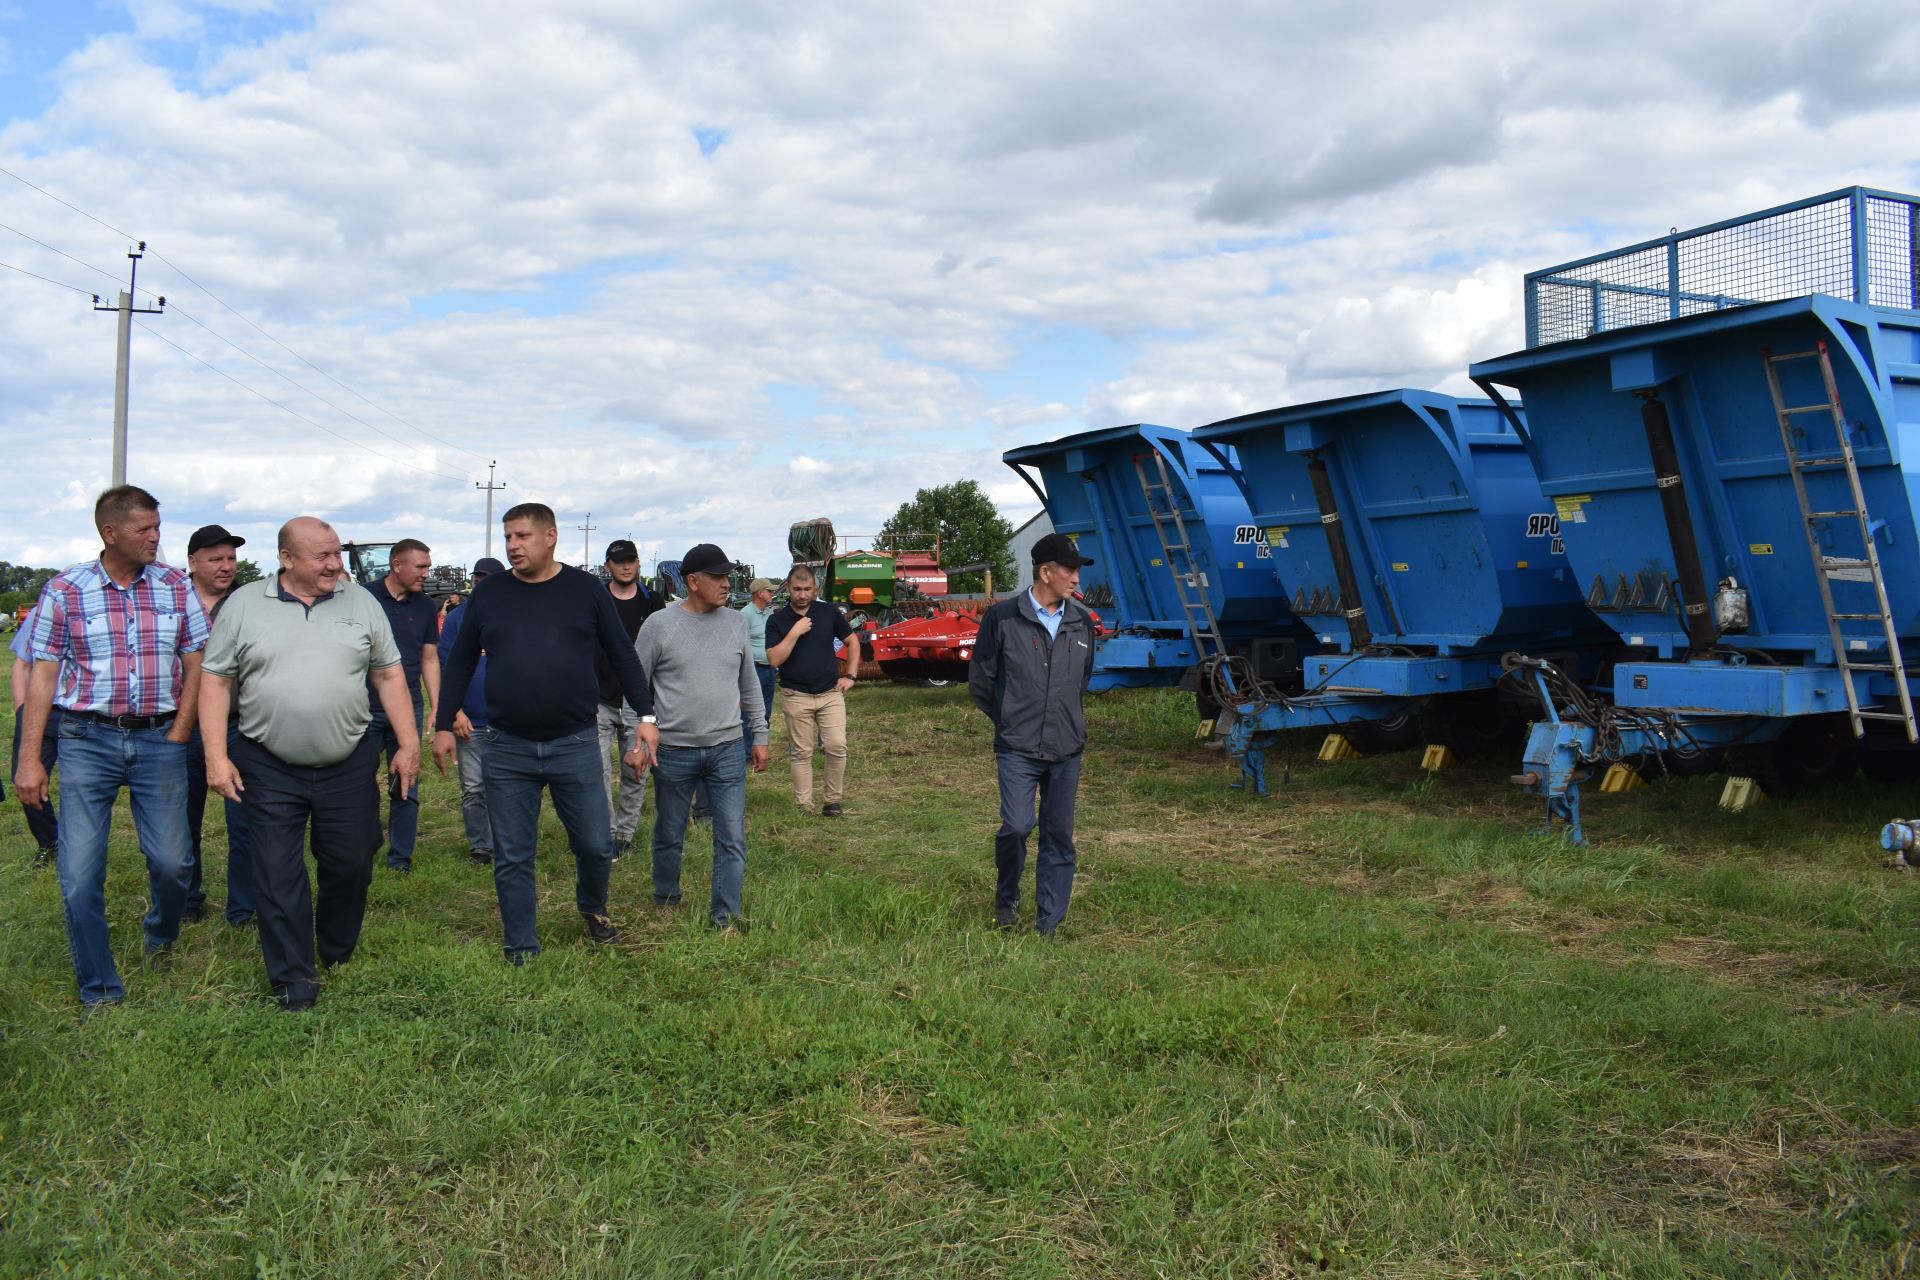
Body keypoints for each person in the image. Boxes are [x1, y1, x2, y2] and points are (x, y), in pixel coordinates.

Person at [198, 516, 418, 1012]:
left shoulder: (360, 601)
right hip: (268, 762)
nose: (334, 564)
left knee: (352, 861)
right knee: (276, 870)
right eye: (321, 555)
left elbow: (387, 676)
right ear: (286, 559)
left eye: (336, 553)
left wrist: (408, 744)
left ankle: (335, 948)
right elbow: (214, 681)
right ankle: (294, 978)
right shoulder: (245, 605)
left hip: (348, 760)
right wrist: (215, 755)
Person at [432, 503, 659, 964]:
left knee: (596, 845)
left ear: (551, 536)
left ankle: (593, 908)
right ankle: (520, 943)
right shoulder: (490, 594)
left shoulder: (584, 591)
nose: (513, 546)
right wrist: (442, 723)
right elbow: (458, 662)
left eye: (522, 536)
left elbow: (622, 655)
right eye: (508, 537)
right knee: (513, 852)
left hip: (574, 742)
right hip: (506, 744)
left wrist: (648, 718)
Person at [15, 486, 209, 1008]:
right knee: (79, 875)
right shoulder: (65, 590)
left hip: (161, 738)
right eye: (144, 529)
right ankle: (99, 988)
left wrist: (181, 731)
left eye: (157, 527)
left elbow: (197, 664)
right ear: (110, 532)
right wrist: (30, 758)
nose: (155, 537)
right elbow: (40, 680)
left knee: (174, 865)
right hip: (85, 740)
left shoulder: (173, 586)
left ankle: (160, 937)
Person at [968, 533, 1097, 936]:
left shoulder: (1082, 622)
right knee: (1018, 826)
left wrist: (1064, 718)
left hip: (1066, 747)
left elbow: (1081, 682)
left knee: (1059, 836)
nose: (1076, 578)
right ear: (1046, 571)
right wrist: (1010, 719)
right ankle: (1006, 899)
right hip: (1017, 748)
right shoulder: (1003, 617)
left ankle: (1049, 923)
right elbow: (981, 680)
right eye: (1070, 569)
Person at [634, 543, 768, 932]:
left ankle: (725, 916)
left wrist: (759, 733)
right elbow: (636, 687)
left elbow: (750, 684)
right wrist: (636, 741)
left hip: (727, 748)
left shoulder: (735, 624)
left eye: (728, 576)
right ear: (693, 582)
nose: (727, 584)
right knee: (669, 831)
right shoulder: (659, 625)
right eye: (718, 577)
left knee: (731, 836)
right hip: (673, 750)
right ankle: (666, 896)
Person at [182, 523, 255, 926]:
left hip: (237, 727)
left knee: (243, 822)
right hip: (178, 729)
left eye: (231, 558)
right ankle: (187, 899)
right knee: (180, 822)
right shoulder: (172, 602)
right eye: (216, 559)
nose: (226, 566)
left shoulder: (247, 604)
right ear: (193, 562)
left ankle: (243, 909)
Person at [366, 538, 440, 873]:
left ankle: (400, 859)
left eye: (428, 566)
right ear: (397, 565)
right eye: (420, 567)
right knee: (360, 781)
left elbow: (429, 658)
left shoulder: (425, 606)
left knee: (405, 780)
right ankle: (365, 845)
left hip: (408, 705)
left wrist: (437, 705)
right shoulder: (364, 598)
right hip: (363, 705)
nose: (426, 573)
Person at [765, 564, 857, 816]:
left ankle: (832, 802)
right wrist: (794, 633)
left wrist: (851, 675)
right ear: (788, 588)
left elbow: (852, 641)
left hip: (830, 694)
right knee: (802, 752)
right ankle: (804, 805)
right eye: (797, 589)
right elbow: (774, 660)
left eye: (807, 589)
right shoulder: (777, 620)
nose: (802, 595)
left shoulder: (828, 613)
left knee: (837, 746)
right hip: (796, 695)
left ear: (815, 589)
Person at [595, 539, 664, 855]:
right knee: (598, 772)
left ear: (637, 563)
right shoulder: (596, 599)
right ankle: (606, 835)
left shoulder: (652, 602)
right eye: (618, 561)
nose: (625, 566)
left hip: (639, 704)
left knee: (636, 771)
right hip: (598, 699)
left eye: (630, 560)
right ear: (607, 565)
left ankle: (625, 835)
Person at [436, 557, 502, 867]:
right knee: (474, 788)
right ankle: (481, 848)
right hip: (470, 720)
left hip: (509, 720)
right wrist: (454, 712)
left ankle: (508, 844)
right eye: (478, 578)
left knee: (507, 788)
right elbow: (444, 667)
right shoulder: (457, 619)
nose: (481, 583)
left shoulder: (514, 615)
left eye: (488, 579)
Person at [9, 603, 58, 867]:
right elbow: (23, 666)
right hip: (40, 711)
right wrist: (21, 712)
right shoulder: (43, 612)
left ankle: (78, 846)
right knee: (25, 779)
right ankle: (50, 841)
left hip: (83, 712)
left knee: (82, 787)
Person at [738, 577, 780, 749]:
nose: (772, 593)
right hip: (753, 668)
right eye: (769, 591)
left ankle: (761, 747)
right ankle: (747, 752)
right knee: (749, 711)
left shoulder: (769, 613)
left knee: (766, 710)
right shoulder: (745, 615)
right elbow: (740, 643)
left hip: (770, 668)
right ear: (759, 593)